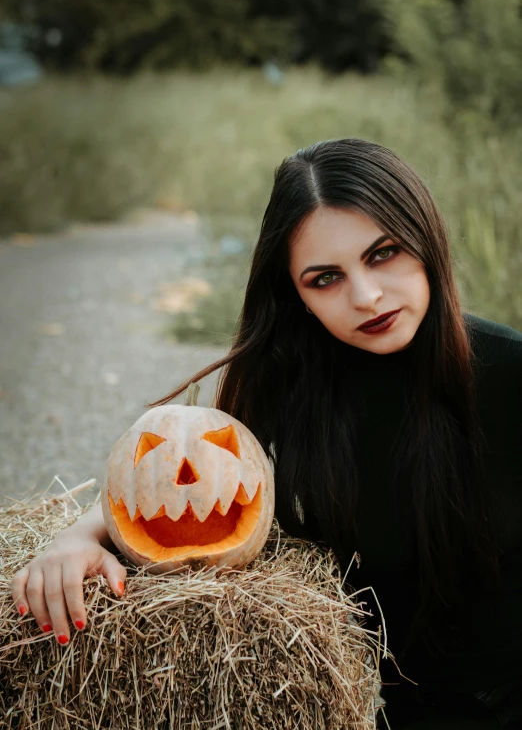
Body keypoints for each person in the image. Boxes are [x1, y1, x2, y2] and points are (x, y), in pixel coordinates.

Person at [11, 138, 522, 728]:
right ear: (296, 295)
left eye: (384, 254)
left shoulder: (510, 372)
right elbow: (184, 480)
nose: (366, 296)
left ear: (426, 238)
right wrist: (77, 538)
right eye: (325, 278)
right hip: (391, 712)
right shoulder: (294, 381)